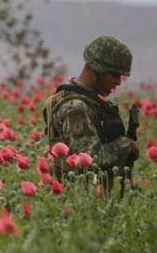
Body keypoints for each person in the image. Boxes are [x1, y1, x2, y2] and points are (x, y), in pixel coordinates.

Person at [42, 35, 139, 188]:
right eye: (114, 75)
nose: (119, 82)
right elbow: (88, 159)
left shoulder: (90, 103)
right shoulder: (75, 107)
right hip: (79, 199)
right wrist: (126, 145)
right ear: (97, 70)